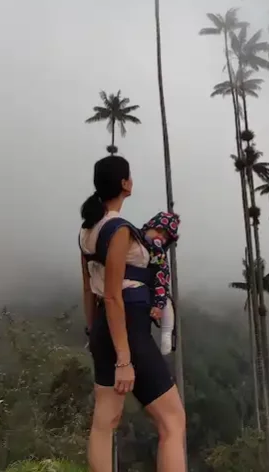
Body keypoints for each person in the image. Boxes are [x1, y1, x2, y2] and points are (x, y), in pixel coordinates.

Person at [79, 155, 186, 472]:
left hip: (102, 328)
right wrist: (123, 359)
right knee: (172, 421)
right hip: (128, 331)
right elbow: (112, 295)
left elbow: (90, 292)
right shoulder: (119, 230)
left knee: (104, 422)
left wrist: (94, 334)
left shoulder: (86, 232)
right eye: (130, 177)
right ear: (125, 184)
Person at [141, 212, 180, 356]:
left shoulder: (158, 252)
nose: (160, 238)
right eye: (158, 231)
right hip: (141, 289)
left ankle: (166, 341)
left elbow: (160, 276)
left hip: (157, 290)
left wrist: (159, 303)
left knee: (168, 311)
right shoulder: (135, 241)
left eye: (165, 237)